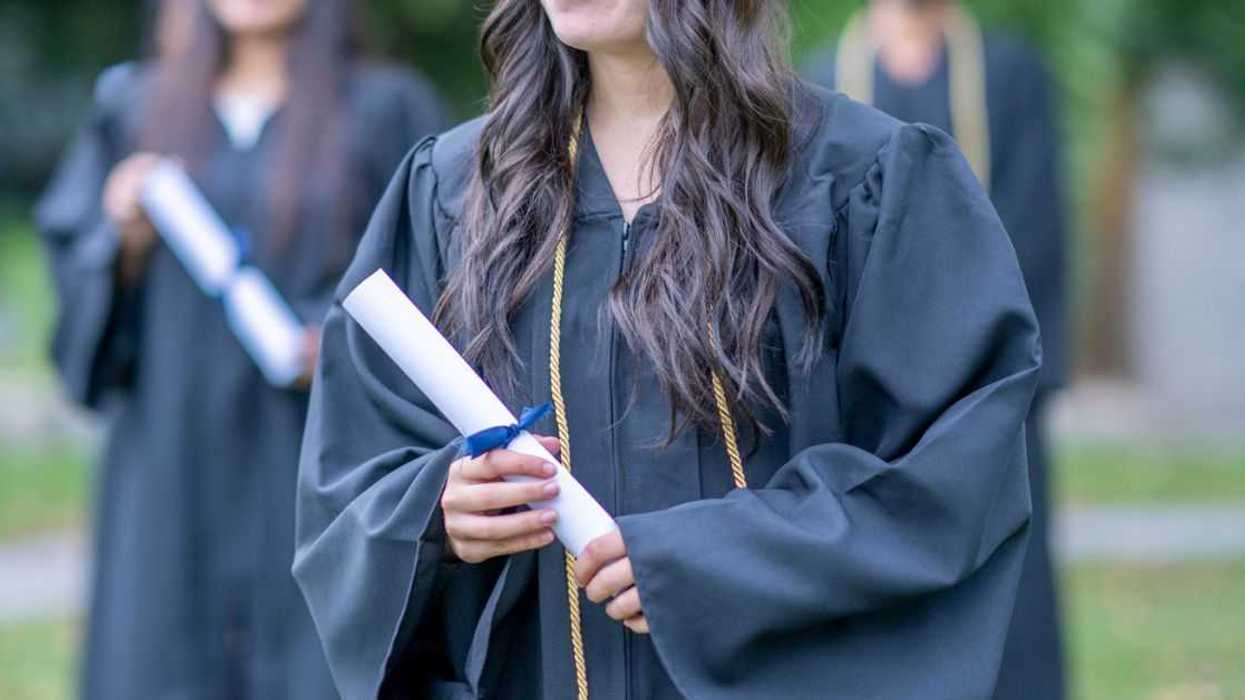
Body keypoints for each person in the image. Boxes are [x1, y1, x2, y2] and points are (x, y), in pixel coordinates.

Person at [294, 1, 1041, 698]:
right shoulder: (457, 193)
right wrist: (436, 512)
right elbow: (351, 477)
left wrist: (717, 559)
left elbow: (943, 478)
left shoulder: (859, 180)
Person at [34, 0, 445, 697]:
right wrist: (121, 245)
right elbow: (81, 304)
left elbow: (432, 280)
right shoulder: (136, 111)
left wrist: (343, 348)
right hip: (169, 475)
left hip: (317, 464)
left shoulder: (385, 109)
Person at [804, 2, 1069, 697]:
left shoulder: (1009, 70)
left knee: (1013, 571)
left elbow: (1037, 224)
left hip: (991, 379)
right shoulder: (822, 80)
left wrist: (992, 359)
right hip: (869, 385)